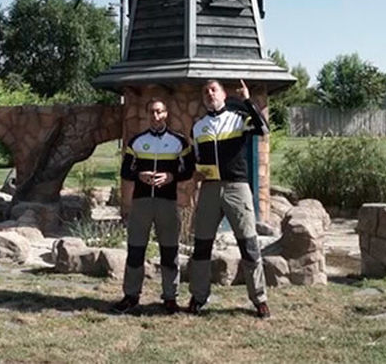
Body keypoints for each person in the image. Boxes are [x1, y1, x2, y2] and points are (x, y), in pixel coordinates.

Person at [187, 79, 270, 318]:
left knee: (249, 245)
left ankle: (260, 299)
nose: (209, 93)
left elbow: (262, 129)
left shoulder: (238, 118)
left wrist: (247, 101)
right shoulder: (198, 126)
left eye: (214, 89)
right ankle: (199, 296)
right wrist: (196, 170)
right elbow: (197, 158)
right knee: (202, 246)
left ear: (224, 95)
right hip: (210, 188)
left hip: (237, 187)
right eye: (205, 91)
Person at [112, 99, 193, 315]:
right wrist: (140, 175)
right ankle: (131, 296)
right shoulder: (137, 141)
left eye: (159, 112)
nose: (155, 116)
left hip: (167, 202)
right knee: (136, 249)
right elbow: (125, 172)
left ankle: (170, 297)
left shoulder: (179, 142)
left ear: (166, 114)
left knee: (169, 251)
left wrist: (170, 176)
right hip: (141, 202)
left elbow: (189, 170)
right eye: (151, 112)